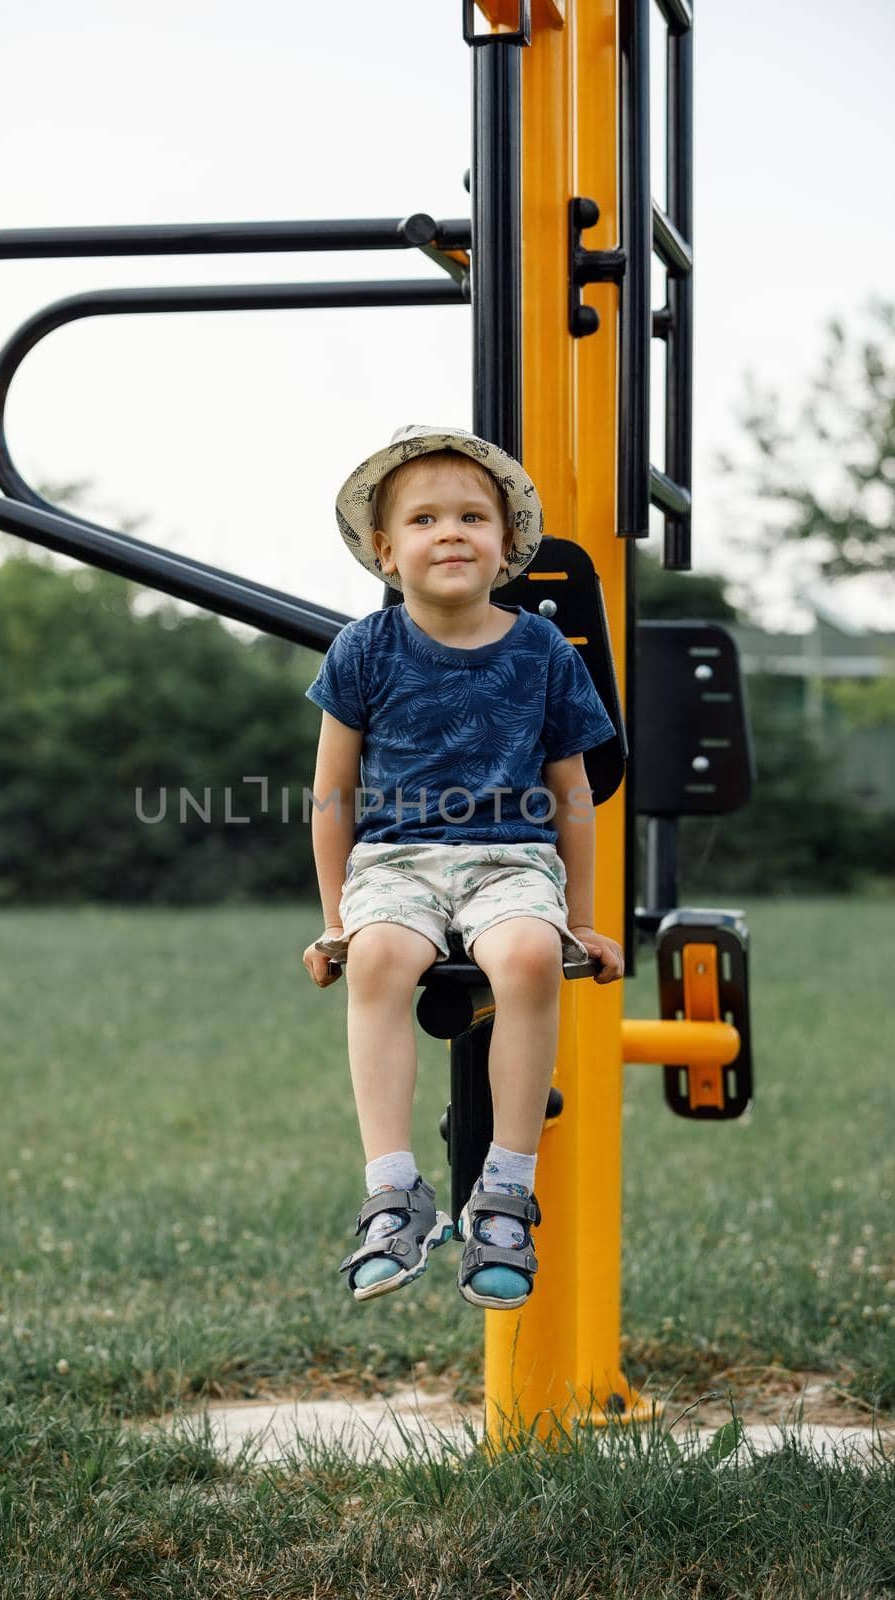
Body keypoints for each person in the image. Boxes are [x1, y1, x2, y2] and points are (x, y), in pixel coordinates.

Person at [301, 425, 624, 1311]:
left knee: (524, 958)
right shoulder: (363, 650)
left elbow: (572, 794)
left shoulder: (543, 654)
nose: (450, 532)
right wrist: (337, 918)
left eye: (472, 516)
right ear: (386, 549)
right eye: (425, 518)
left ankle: (505, 1194)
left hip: (510, 860)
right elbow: (331, 796)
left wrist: (583, 918)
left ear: (505, 543)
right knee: (378, 959)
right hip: (395, 860)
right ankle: (392, 1193)